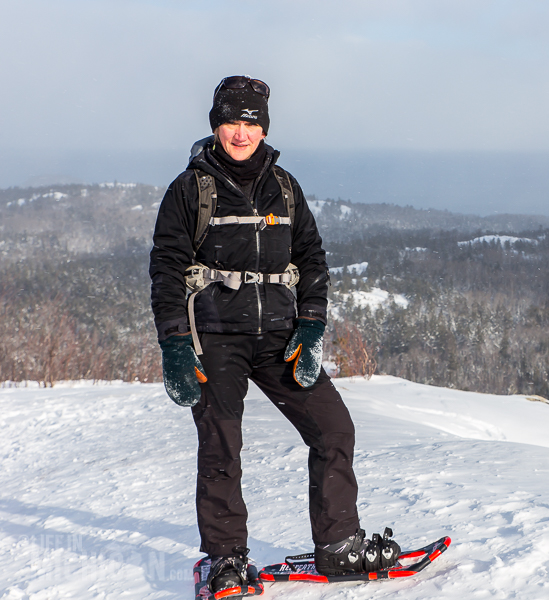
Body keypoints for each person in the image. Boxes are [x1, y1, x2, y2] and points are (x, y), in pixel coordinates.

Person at [149, 75, 399, 597]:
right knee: (221, 447)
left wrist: (310, 328)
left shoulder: (284, 187)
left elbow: (311, 259)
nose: (241, 133)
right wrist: (174, 345)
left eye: (251, 123)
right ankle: (226, 560)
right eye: (231, 121)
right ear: (216, 124)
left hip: (279, 336)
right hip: (213, 336)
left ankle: (337, 544)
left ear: (263, 128)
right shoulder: (190, 189)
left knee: (333, 429)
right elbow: (167, 269)